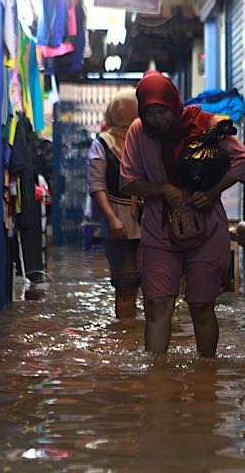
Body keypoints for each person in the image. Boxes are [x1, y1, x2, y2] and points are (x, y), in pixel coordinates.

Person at [120, 71, 245, 357]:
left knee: (201, 305)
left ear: (174, 102)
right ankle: (157, 374)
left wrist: (213, 191)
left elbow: (243, 161)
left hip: (207, 226)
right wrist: (164, 189)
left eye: (162, 111)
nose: (157, 119)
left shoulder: (206, 124)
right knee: (157, 304)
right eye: (150, 113)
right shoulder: (138, 132)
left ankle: (206, 373)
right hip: (159, 228)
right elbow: (128, 181)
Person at [88, 90, 142, 319]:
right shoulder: (103, 144)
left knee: (155, 287)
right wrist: (112, 219)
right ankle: (126, 332)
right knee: (126, 285)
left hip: (149, 224)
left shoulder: (145, 140)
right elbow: (97, 185)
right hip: (119, 225)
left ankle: (142, 335)